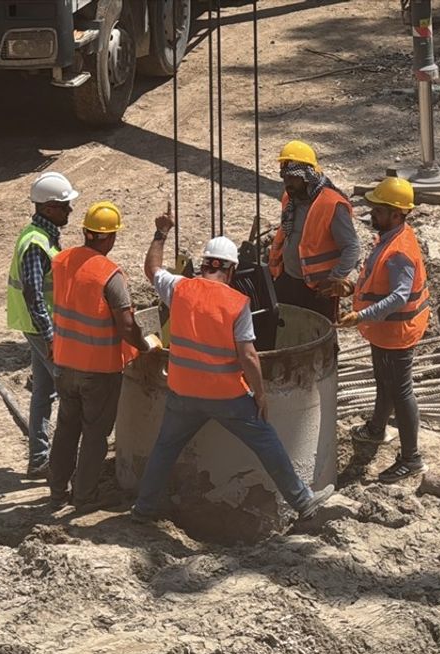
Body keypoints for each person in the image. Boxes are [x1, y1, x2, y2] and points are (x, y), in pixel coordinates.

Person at [131, 205, 335, 522]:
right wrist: (260, 395)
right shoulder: (238, 303)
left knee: (165, 448)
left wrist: (161, 233)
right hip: (227, 397)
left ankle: (143, 509)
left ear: (203, 265)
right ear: (232, 271)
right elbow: (249, 355)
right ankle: (303, 503)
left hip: (182, 393)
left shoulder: (180, 289)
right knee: (267, 443)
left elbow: (152, 269)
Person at [48, 201, 160, 510]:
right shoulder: (110, 275)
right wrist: (144, 345)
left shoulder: (62, 261)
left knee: (67, 428)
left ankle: (57, 491)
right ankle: (84, 496)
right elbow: (126, 326)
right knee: (95, 434)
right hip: (98, 368)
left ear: (86, 232)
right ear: (109, 237)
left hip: (65, 360)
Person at [338, 177, 430, 482]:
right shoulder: (391, 236)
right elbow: (376, 281)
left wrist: (362, 315)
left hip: (397, 333)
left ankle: (411, 458)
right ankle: (377, 429)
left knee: (400, 391)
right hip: (385, 331)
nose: (371, 215)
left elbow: (399, 296)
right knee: (384, 381)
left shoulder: (399, 251)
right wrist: (352, 288)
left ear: (396, 213)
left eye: (378, 210)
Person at [6, 171, 79, 478]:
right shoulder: (37, 243)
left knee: (43, 392)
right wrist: (51, 338)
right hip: (41, 328)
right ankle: (61, 463)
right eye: (64, 206)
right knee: (69, 389)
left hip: (38, 326)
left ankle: (39, 458)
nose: (69, 211)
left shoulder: (40, 235)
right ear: (48, 208)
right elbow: (35, 295)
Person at [269, 140, 361, 320]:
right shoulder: (290, 198)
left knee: (318, 338)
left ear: (306, 175)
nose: (288, 182)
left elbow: (351, 247)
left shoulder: (332, 204)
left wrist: (334, 279)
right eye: (285, 177)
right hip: (287, 279)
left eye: (293, 177)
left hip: (317, 289)